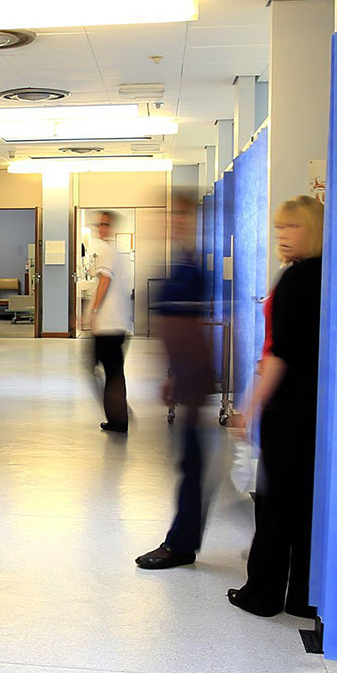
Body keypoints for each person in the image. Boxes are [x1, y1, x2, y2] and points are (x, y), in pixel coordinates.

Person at [228, 195, 325, 618]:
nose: (282, 236)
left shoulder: (296, 280)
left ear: (313, 230)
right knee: (305, 504)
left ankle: (261, 594)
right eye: (279, 228)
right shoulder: (326, 275)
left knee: (274, 504)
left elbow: (280, 356)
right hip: (316, 407)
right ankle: (305, 595)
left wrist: (249, 407)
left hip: (290, 409)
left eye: (292, 227)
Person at [137, 188, 216, 570]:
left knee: (193, 462)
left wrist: (186, 377)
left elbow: (190, 329)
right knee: (191, 461)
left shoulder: (190, 268)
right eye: (171, 216)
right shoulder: (180, 263)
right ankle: (183, 539)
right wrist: (171, 374)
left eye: (182, 216)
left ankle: (181, 544)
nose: (174, 222)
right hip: (184, 374)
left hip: (194, 377)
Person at [87, 211, 131, 434]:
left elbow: (104, 281)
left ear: (111, 228)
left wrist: (93, 312)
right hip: (117, 324)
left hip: (108, 326)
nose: (100, 228)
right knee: (112, 372)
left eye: (104, 225)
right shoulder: (117, 253)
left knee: (99, 370)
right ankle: (118, 414)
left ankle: (119, 416)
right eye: (99, 224)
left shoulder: (107, 251)